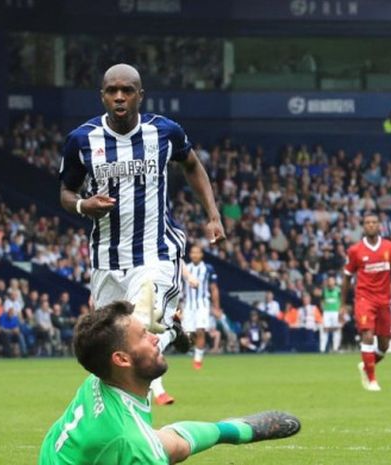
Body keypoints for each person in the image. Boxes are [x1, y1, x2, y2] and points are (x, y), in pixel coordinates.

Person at [59, 63, 225, 405]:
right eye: (112, 91)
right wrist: (83, 206)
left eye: (127, 90)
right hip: (106, 258)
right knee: (106, 353)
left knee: (140, 327)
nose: (119, 97)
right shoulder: (81, 140)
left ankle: (160, 338)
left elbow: (192, 164)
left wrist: (213, 214)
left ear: (140, 95)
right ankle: (168, 335)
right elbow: (66, 193)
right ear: (102, 96)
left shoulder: (165, 132)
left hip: (156, 252)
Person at [38, 301, 300, 465]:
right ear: (121, 359)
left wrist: (173, 331)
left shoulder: (104, 374)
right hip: (113, 449)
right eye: (144, 335)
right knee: (160, 447)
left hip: (58, 455)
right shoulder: (132, 442)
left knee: (172, 444)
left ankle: (238, 430)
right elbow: (136, 445)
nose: (154, 338)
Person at [341, 212, 391, 391]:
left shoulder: (390, 247)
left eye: (374, 222)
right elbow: (346, 278)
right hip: (364, 299)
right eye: (367, 222)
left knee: (384, 344)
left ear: (380, 226)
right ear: (363, 226)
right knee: (367, 335)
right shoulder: (355, 250)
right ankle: (372, 380)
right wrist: (342, 304)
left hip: (384, 300)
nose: (371, 225)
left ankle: (367, 364)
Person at [181, 245, 219, 370]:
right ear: (190, 255)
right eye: (193, 252)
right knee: (188, 333)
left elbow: (214, 288)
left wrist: (216, 307)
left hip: (202, 303)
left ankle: (198, 360)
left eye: (198, 252)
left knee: (200, 330)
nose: (195, 255)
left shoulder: (208, 268)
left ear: (202, 255)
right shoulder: (185, 269)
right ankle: (195, 351)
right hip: (188, 304)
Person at [320, 276, 344, 353]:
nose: (330, 282)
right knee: (325, 330)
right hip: (327, 312)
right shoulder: (324, 291)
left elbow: (342, 301)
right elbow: (322, 301)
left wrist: (341, 312)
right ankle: (322, 349)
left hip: (336, 312)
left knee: (337, 330)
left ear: (334, 282)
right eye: (329, 281)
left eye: (331, 281)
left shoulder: (338, 291)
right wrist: (323, 308)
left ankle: (335, 348)